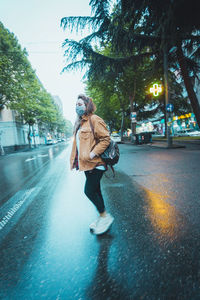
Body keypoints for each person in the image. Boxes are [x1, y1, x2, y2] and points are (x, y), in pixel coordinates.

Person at [70, 94, 114, 235]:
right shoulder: (81, 123)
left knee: (88, 191)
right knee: (96, 191)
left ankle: (105, 217)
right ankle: (102, 217)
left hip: (96, 163)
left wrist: (93, 153)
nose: (78, 107)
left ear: (87, 105)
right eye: (76, 104)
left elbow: (105, 139)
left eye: (80, 104)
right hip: (86, 165)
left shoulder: (94, 119)